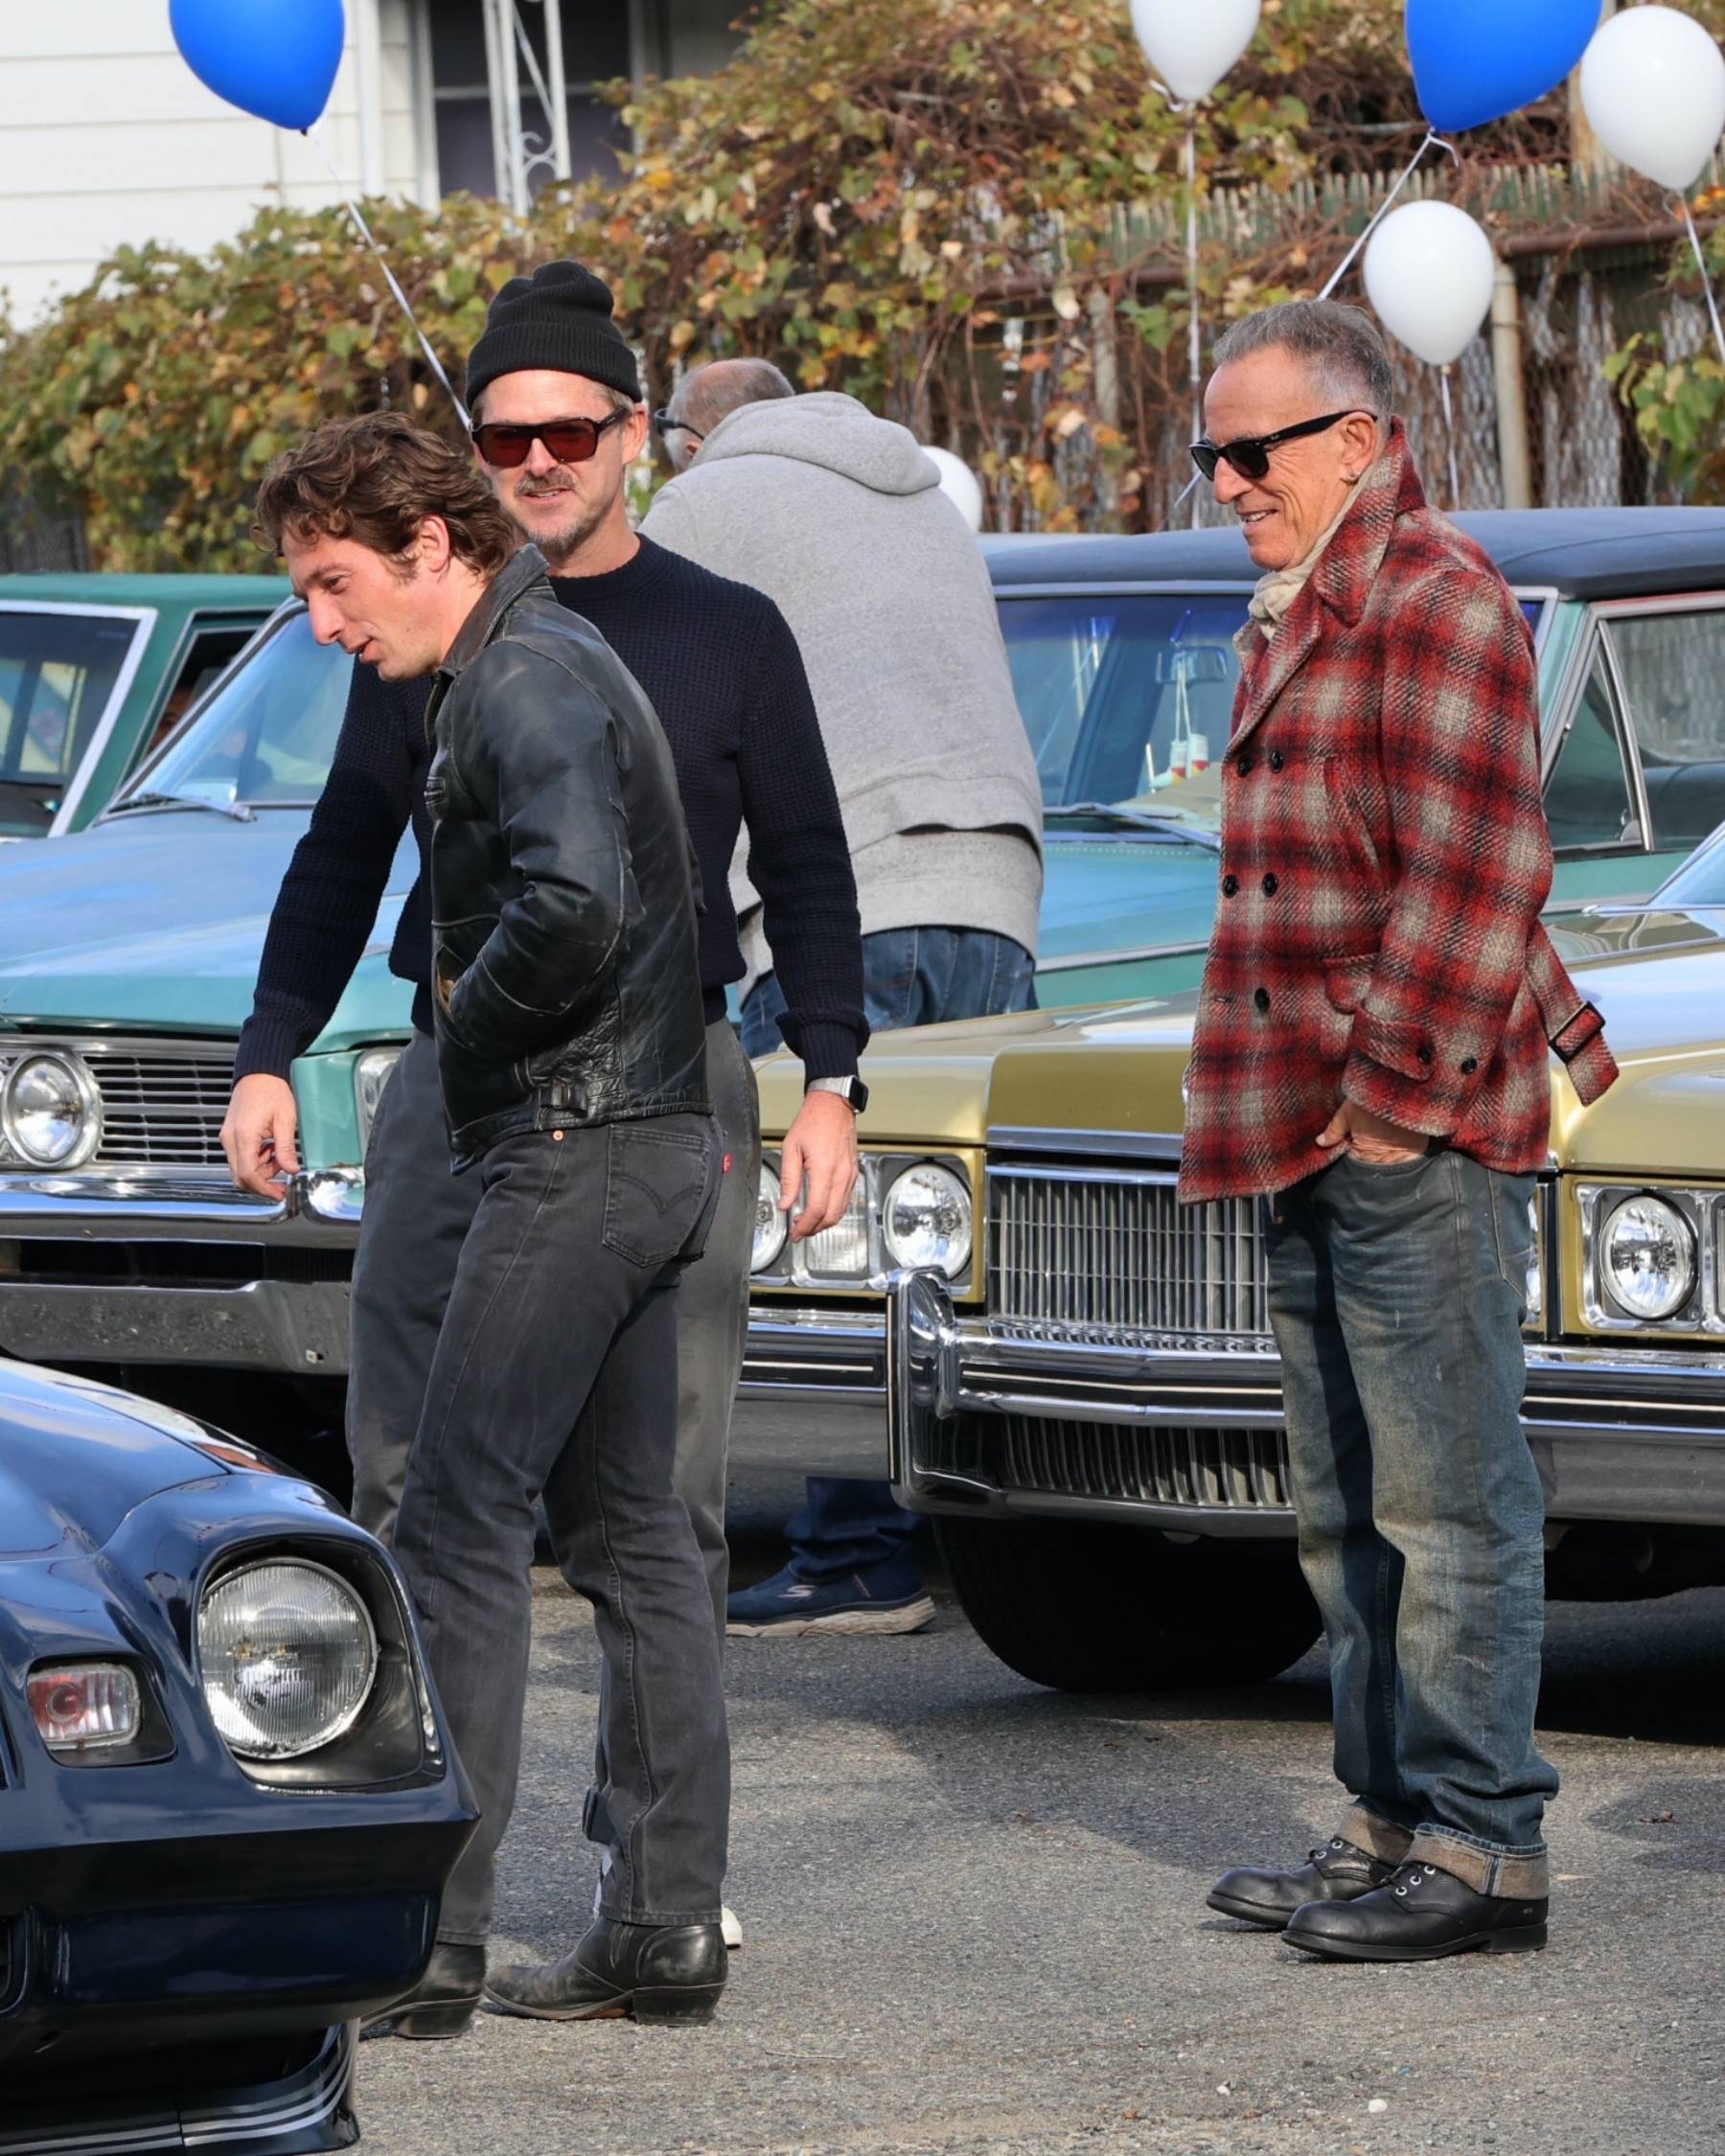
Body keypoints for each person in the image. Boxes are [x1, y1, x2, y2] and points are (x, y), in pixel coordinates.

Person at [223, 267, 865, 1938]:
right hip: (477, 1087)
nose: (536, 457)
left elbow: (796, 866)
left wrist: (833, 1079)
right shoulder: (420, 647)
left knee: (642, 1500)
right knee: (422, 1470)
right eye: (503, 432)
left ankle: (599, 1886)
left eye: (567, 427)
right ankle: (476, 1857)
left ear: (632, 437)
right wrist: (269, 1042)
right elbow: (339, 853)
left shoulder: (706, 631)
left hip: (644, 1080)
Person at [253, 411, 732, 2033]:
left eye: (334, 584)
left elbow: (576, 903)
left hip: (583, 1146)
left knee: (457, 1517)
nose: (327, 623)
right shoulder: (545, 655)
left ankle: (431, 1941)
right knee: (634, 1539)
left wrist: (466, 1027)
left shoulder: (521, 676)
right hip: (650, 1138)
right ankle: (664, 1925)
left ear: (430, 547)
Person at [1179, 302, 1617, 1963]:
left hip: (1404, 1128)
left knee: (1450, 1506)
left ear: (1356, 440)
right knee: (1344, 1506)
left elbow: (1481, 877)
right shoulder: (1298, 609)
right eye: (1214, 452)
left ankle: (1487, 1850)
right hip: (1310, 1114)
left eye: (1254, 449)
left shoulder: (1438, 601)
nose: (1228, 481)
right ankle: (1386, 1822)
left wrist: (1386, 1110)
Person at [645, 367, 1044, 1640]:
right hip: (997, 887)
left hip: (847, 897)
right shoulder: (921, 489)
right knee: (950, 1228)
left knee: (823, 1225)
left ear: (690, 436)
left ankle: (852, 1548)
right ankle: (974, 1523)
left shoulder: (702, 502)